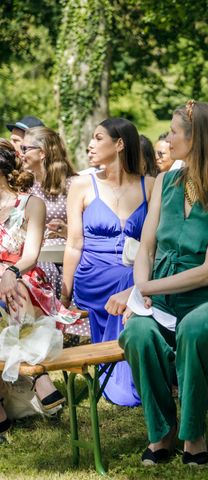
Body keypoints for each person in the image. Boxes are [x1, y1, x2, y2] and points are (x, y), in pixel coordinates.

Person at [118, 100, 208, 466]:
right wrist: (141, 295)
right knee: (138, 335)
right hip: (158, 297)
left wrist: (145, 290)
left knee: (195, 329)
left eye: (174, 132)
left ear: (196, 139)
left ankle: (194, 434)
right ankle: (160, 432)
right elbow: (146, 246)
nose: (168, 138)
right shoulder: (165, 182)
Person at [62, 118, 154, 407]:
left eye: (98, 137)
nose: (90, 144)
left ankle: (139, 370)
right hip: (93, 276)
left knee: (131, 278)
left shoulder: (150, 185)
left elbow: (157, 242)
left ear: (119, 144)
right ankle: (127, 381)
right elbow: (74, 244)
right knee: (130, 281)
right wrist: (64, 294)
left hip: (134, 272)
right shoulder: (81, 185)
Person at [0, 139, 78, 429]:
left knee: (13, 290)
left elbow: (30, 256)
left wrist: (9, 271)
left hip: (25, 277)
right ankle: (36, 376)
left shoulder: (32, 204)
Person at [20, 127, 76, 297]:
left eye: (25, 149)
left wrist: (66, 231)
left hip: (63, 261)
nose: (20, 153)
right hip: (30, 260)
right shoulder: (23, 185)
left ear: (42, 152)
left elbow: (86, 234)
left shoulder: (73, 185)